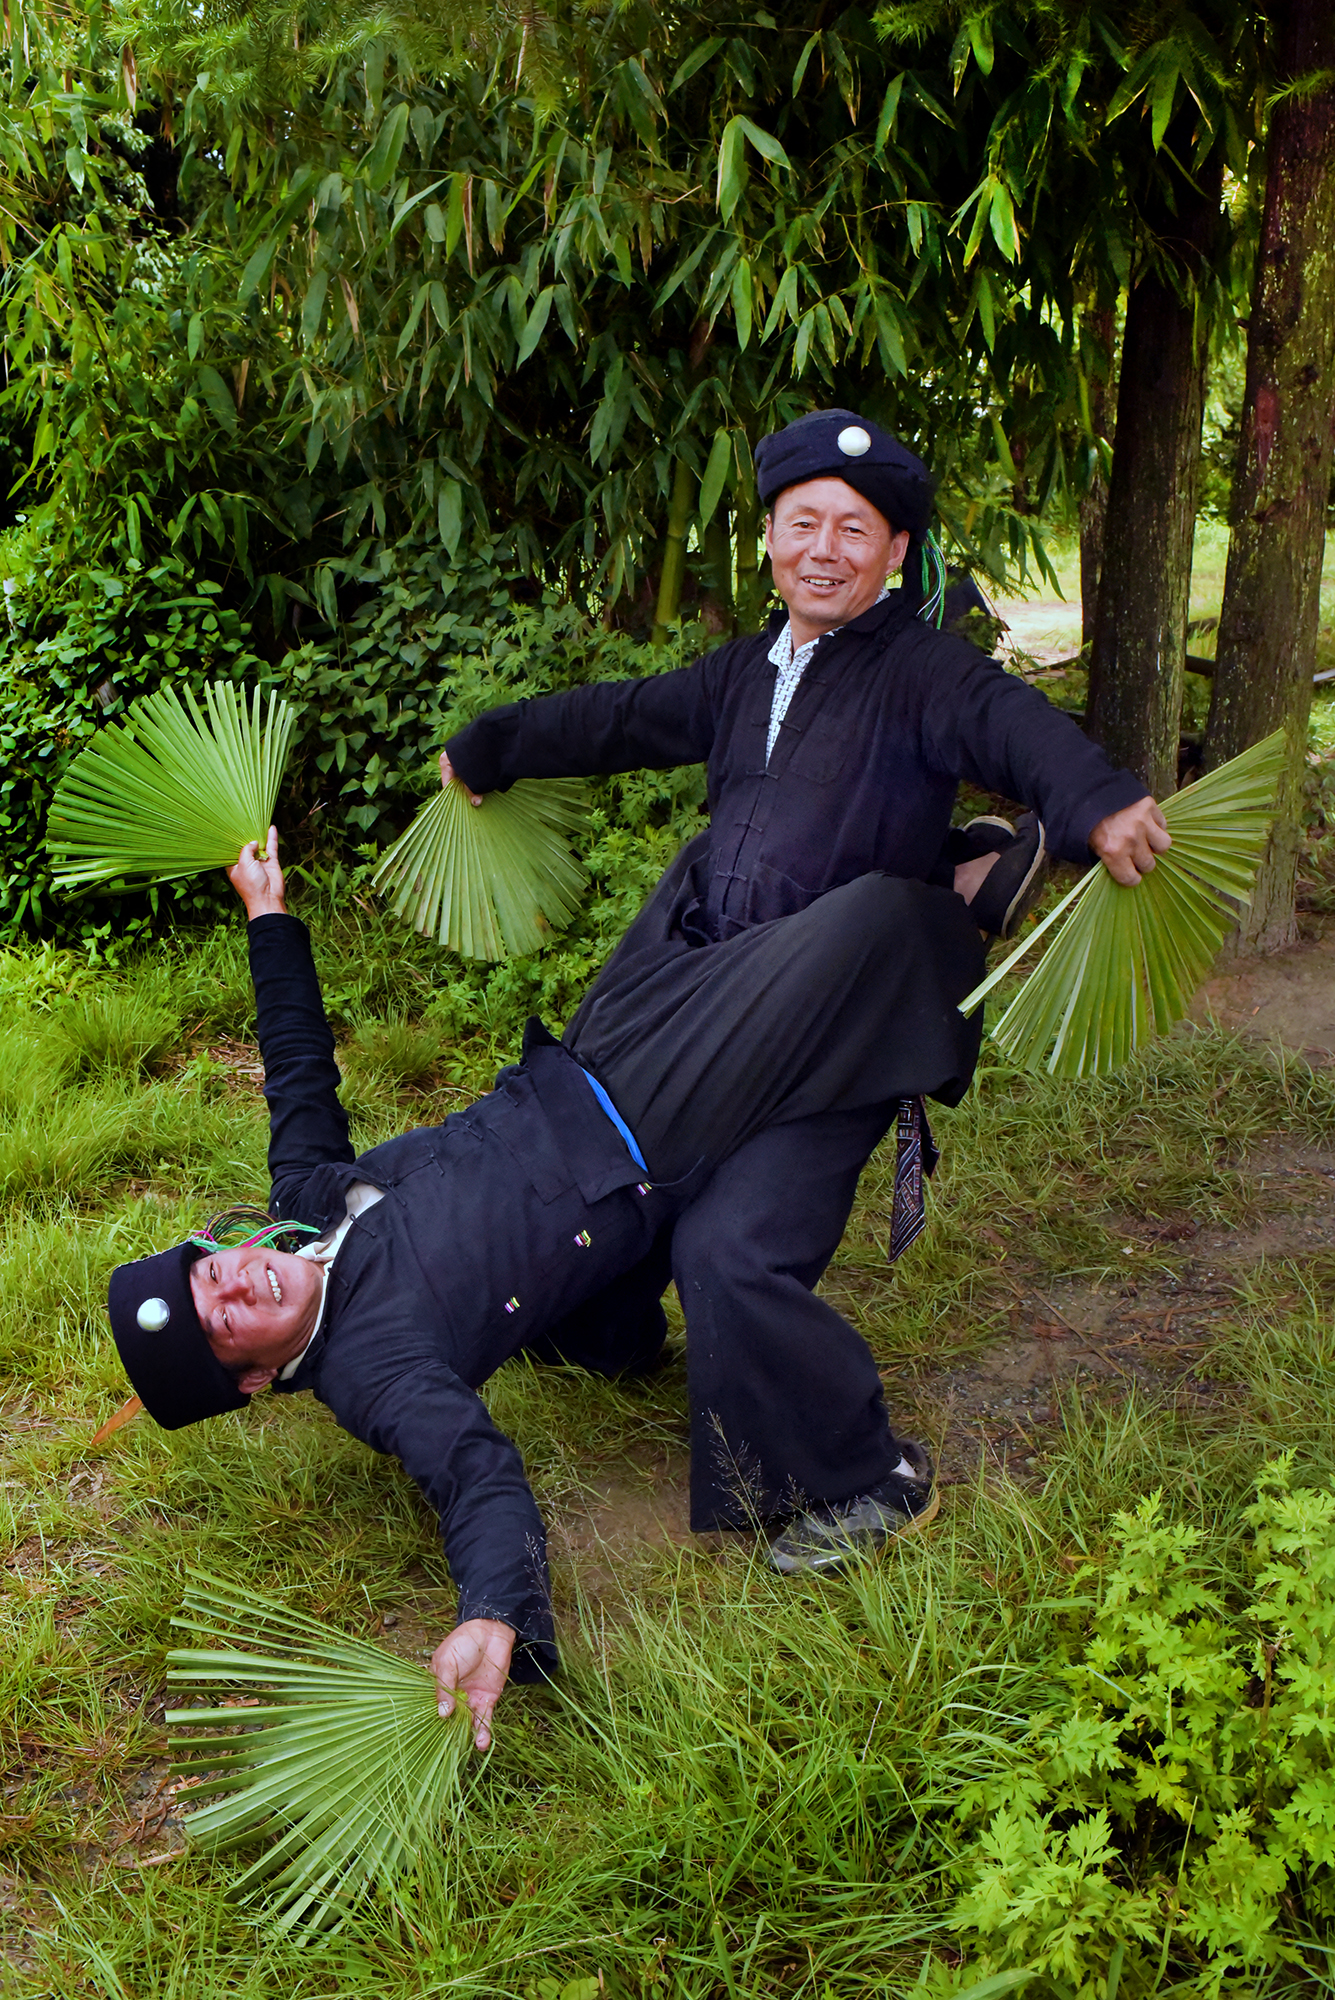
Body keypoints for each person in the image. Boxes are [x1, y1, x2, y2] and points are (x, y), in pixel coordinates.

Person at [438, 407, 1171, 1569]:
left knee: (726, 1254)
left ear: (893, 555)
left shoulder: (922, 670)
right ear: (770, 537)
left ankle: (869, 1477)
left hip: (836, 1030)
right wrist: (492, 744)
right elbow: (620, 716)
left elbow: (1009, 719)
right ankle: (604, 1332)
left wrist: (1093, 798)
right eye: (802, 523)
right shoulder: (743, 672)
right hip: (709, 996)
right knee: (621, 1176)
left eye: (855, 529)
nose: (825, 548)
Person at [107, 829, 984, 1750]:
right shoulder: (373, 1372)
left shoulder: (303, 1204)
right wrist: (494, 1611)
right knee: (855, 938)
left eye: (211, 1271)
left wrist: (266, 912)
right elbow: (476, 1475)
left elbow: (295, 1072)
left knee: (724, 859)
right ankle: (969, 902)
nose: (238, 1284)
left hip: (575, 1063)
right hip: (644, 1131)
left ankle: (925, 835)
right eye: (225, 1322)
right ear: (251, 1381)